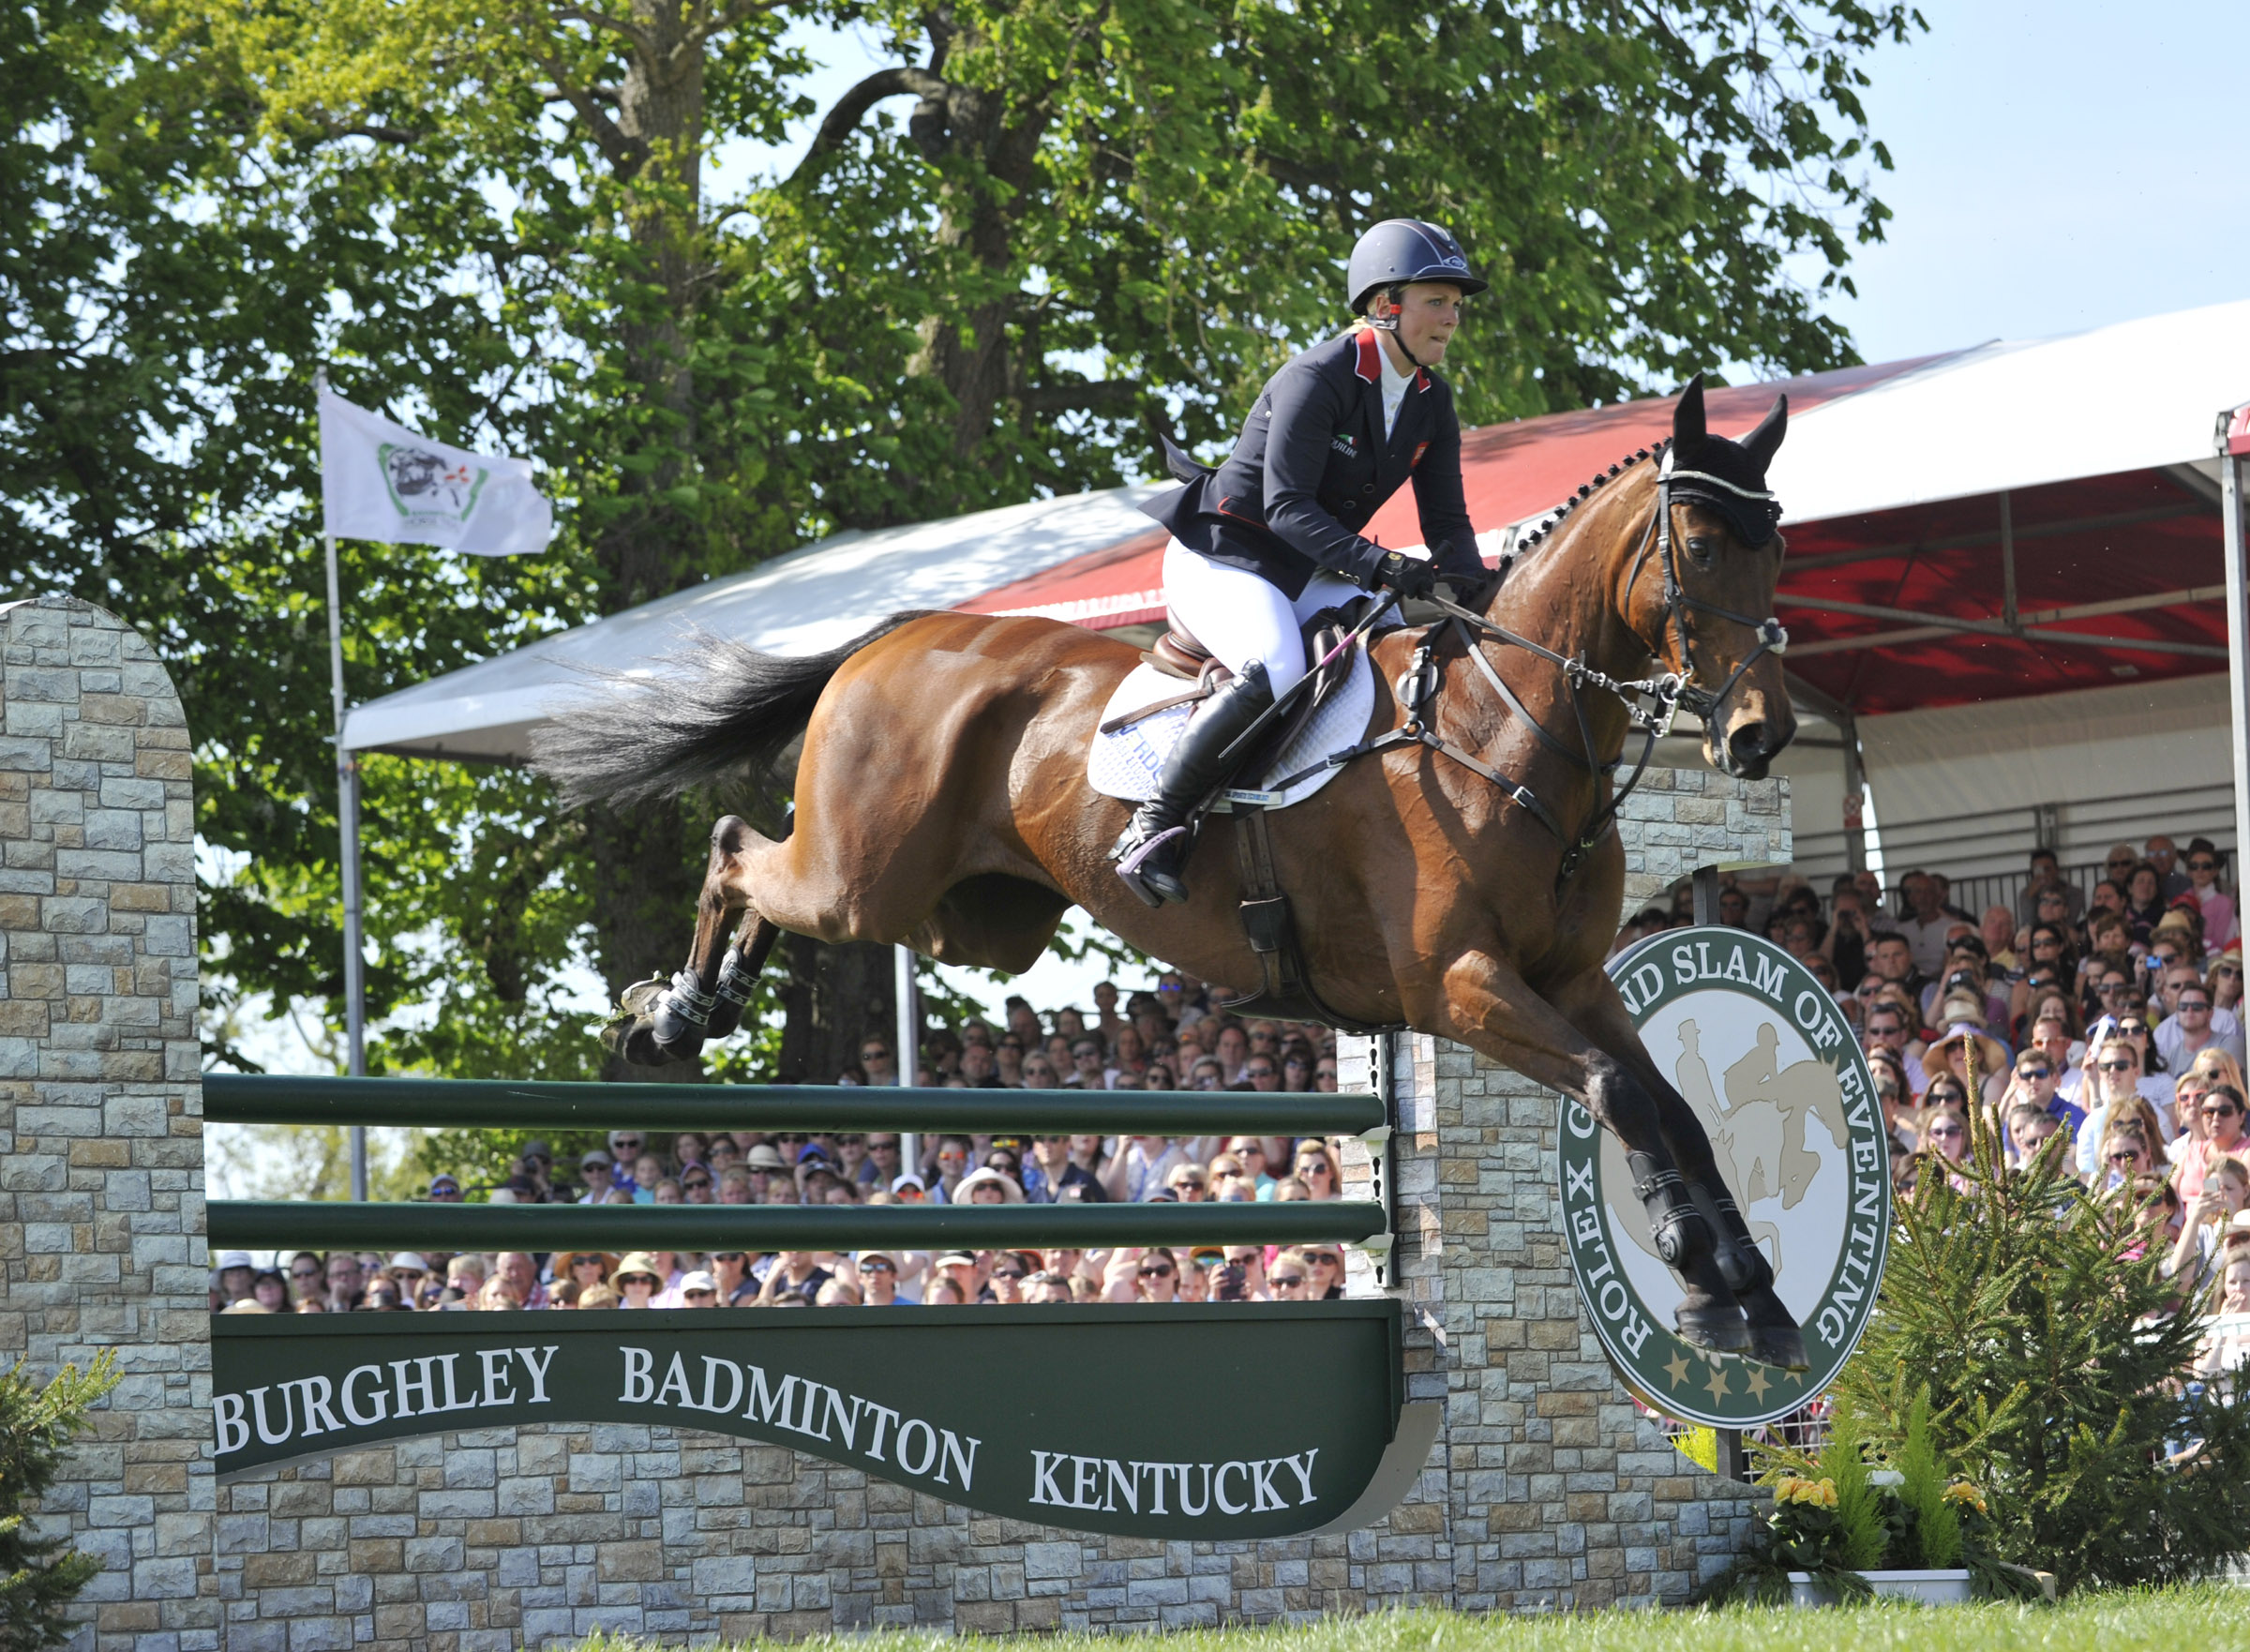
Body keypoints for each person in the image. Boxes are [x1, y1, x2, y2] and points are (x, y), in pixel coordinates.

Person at [1112, 218, 1488, 905]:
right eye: (1438, 300)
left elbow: (1448, 522)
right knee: (1279, 666)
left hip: (1306, 567)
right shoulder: (1319, 377)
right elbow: (1285, 507)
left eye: (1457, 304)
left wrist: (1478, 589)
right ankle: (1153, 826)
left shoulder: (1432, 402)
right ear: (1386, 305)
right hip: (1226, 555)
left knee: (1391, 655)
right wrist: (1380, 564)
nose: (1452, 317)